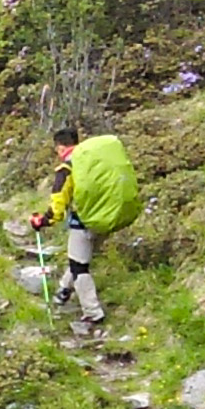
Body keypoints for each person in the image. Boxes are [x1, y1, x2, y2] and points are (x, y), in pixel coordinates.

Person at [39, 122, 142, 331]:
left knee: (80, 266)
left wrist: (42, 221)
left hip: (83, 222)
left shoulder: (67, 167)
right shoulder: (92, 160)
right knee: (80, 258)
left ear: (60, 147)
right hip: (106, 216)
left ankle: (93, 313)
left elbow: (58, 206)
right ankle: (63, 291)